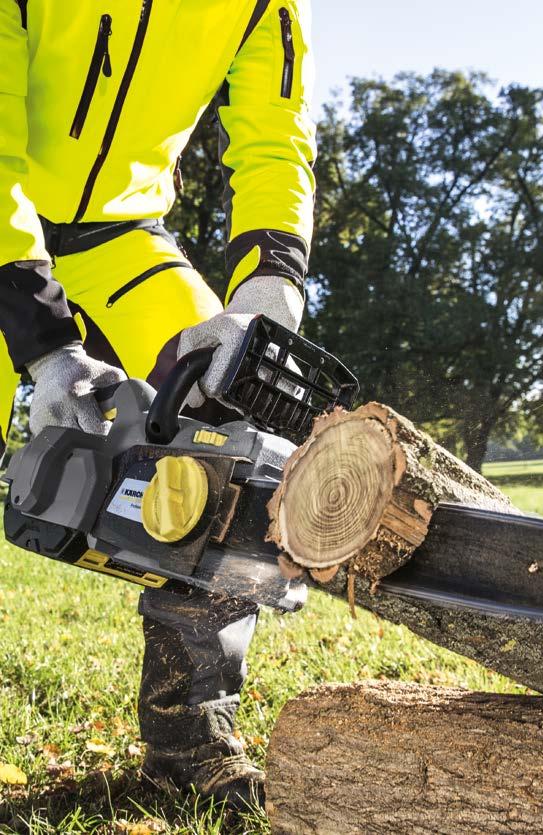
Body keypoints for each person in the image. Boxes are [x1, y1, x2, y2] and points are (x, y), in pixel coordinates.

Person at [0, 0, 316, 809]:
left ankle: (188, 744)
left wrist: (272, 276)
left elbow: (275, 129)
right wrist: (40, 340)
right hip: (9, 220)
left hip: (124, 235)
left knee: (235, 452)